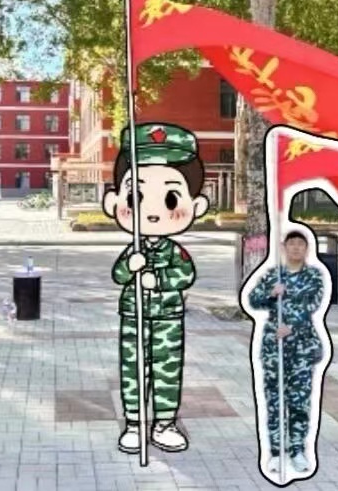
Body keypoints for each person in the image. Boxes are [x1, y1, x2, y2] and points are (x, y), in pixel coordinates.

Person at [103, 123, 209, 454]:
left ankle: (164, 423)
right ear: (113, 201)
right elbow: (118, 275)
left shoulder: (175, 251)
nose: (150, 212)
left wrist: (158, 281)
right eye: (135, 196)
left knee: (167, 370)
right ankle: (135, 424)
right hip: (133, 315)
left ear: (196, 206)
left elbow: (185, 274)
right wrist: (129, 267)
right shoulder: (133, 249)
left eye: (170, 198)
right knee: (133, 369)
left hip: (168, 318)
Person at [248, 230, 324, 474]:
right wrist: (271, 293)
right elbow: (253, 300)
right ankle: (276, 452)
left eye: (301, 244)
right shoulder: (273, 275)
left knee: (299, 401)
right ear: (284, 247)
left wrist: (291, 326)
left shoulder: (314, 275)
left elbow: (312, 304)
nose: (296, 248)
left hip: (301, 346)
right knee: (275, 400)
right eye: (292, 244)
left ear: (306, 249)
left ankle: (297, 451)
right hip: (275, 347)